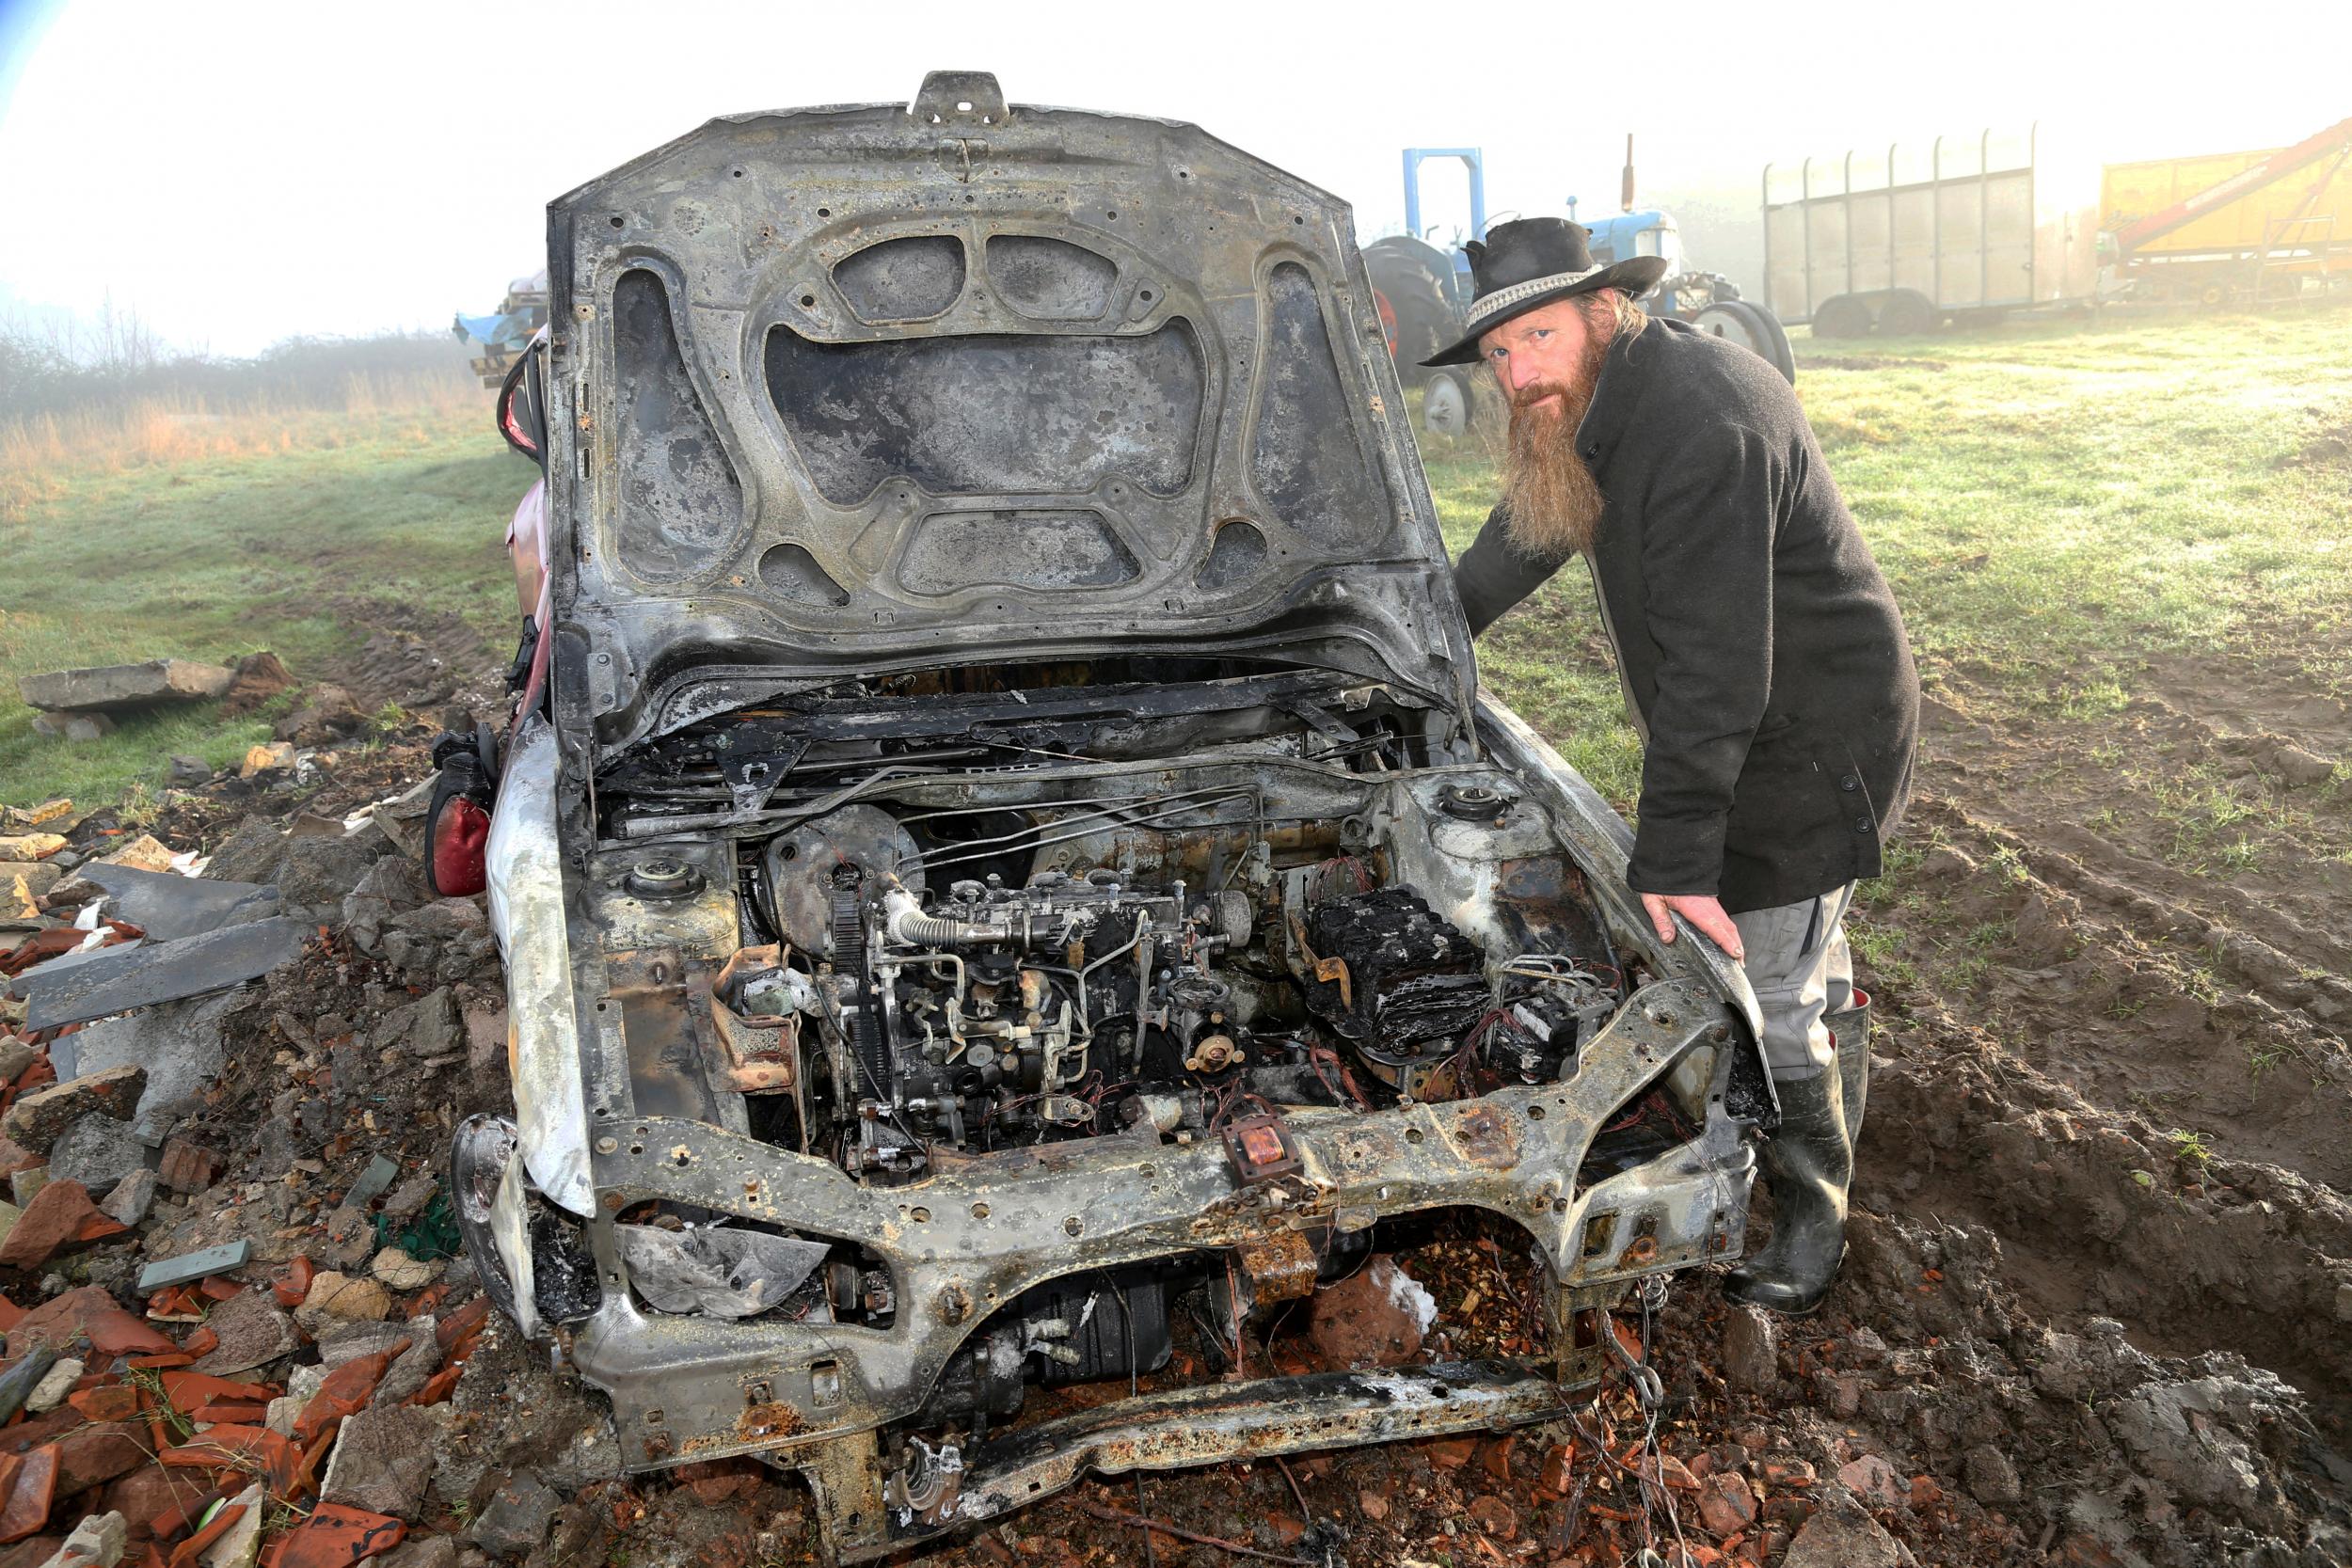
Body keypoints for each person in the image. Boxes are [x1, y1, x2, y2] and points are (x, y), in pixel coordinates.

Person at [1429, 218, 1919, 1316]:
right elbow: (1532, 526)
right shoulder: (1603, 399)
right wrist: (1431, 629)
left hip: (1807, 739)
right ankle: (1825, 1111)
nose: (1518, 373)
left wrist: (1678, 856)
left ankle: (1809, 1220)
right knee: (1800, 956)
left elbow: (1715, 676)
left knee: (1765, 979)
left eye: (1537, 337)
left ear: (1604, 309)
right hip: (1752, 716)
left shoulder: (1698, 422)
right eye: (1499, 352)